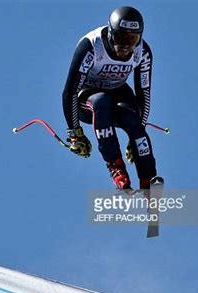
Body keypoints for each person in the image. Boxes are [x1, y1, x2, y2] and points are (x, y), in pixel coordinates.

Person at [62, 6, 158, 190]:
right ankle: (116, 167)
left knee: (133, 118)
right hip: (88, 95)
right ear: (111, 34)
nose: (125, 46)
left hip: (118, 90)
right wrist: (75, 132)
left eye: (133, 39)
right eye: (121, 38)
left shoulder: (142, 52)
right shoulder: (92, 46)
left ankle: (149, 180)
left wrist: (139, 128)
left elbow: (144, 92)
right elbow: (70, 91)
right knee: (101, 101)